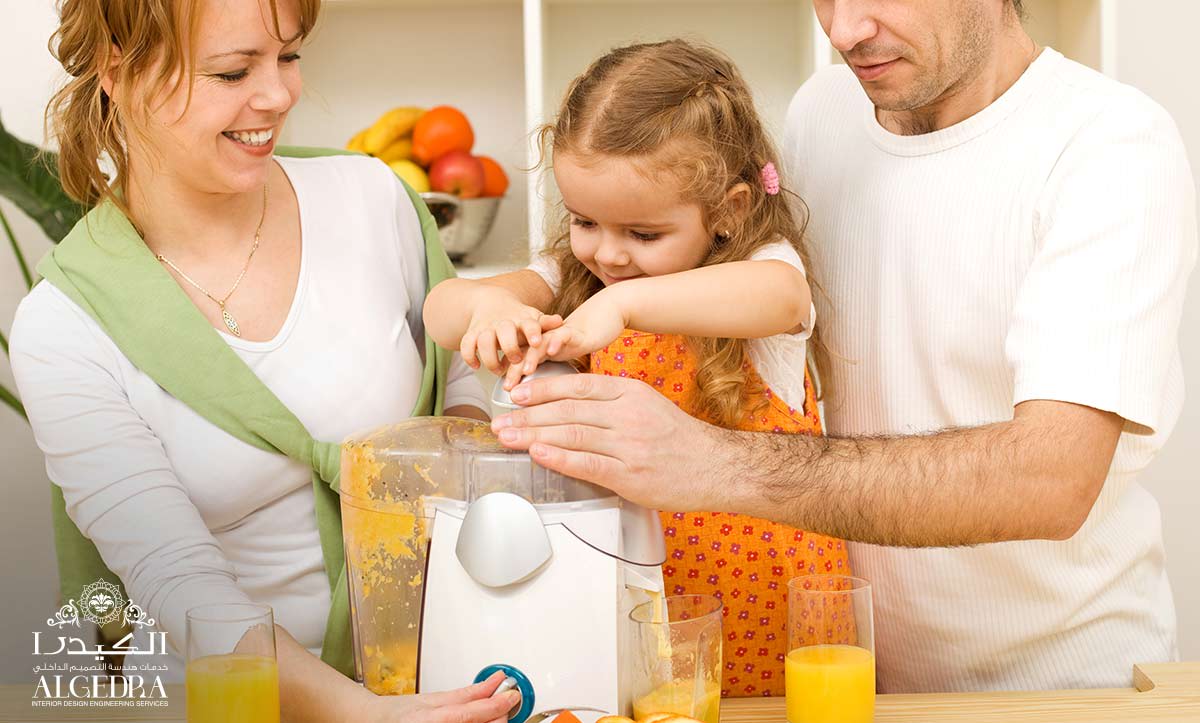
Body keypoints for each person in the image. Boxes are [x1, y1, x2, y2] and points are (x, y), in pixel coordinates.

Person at [485, 0, 1198, 693]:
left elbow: (1051, 478)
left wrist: (708, 460)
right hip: (854, 677)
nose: (846, 29)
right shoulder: (825, 109)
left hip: (1064, 689)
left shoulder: (1110, 144)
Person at [9, 1, 517, 720]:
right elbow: (181, 583)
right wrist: (367, 712)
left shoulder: (373, 199)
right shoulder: (64, 326)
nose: (278, 95)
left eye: (290, 56)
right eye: (233, 70)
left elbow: (460, 379)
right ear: (118, 73)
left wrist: (443, 474)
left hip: (450, 679)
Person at [424, 40, 850, 697]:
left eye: (644, 235)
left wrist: (620, 306)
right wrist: (489, 305)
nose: (608, 253)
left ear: (729, 211)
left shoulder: (761, 267)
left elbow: (783, 298)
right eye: (585, 221)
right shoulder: (576, 273)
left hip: (766, 617)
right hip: (634, 605)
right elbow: (439, 308)